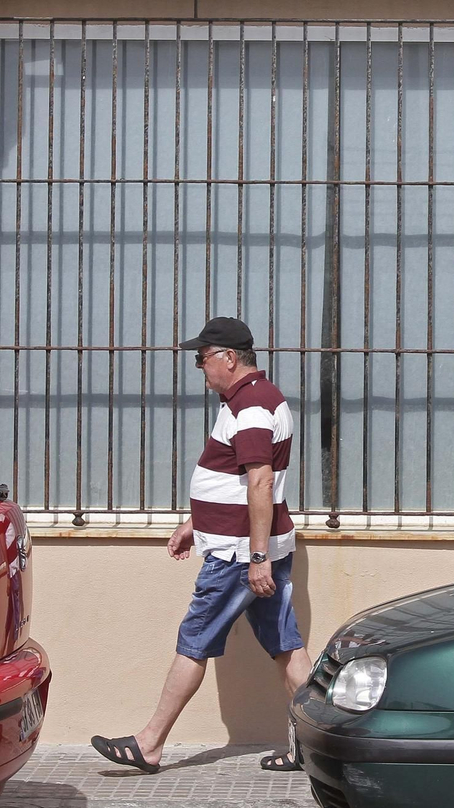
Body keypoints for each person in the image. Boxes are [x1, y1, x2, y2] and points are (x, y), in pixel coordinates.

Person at [91, 316, 310, 774]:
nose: (199, 366)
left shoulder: (250, 407)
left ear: (229, 358)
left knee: (195, 640)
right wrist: (196, 521)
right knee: (285, 644)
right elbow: (233, 479)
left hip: (237, 553)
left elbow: (260, 482)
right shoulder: (252, 400)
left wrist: (255, 558)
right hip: (250, 544)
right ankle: (314, 744)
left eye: (203, 358)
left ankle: (149, 745)